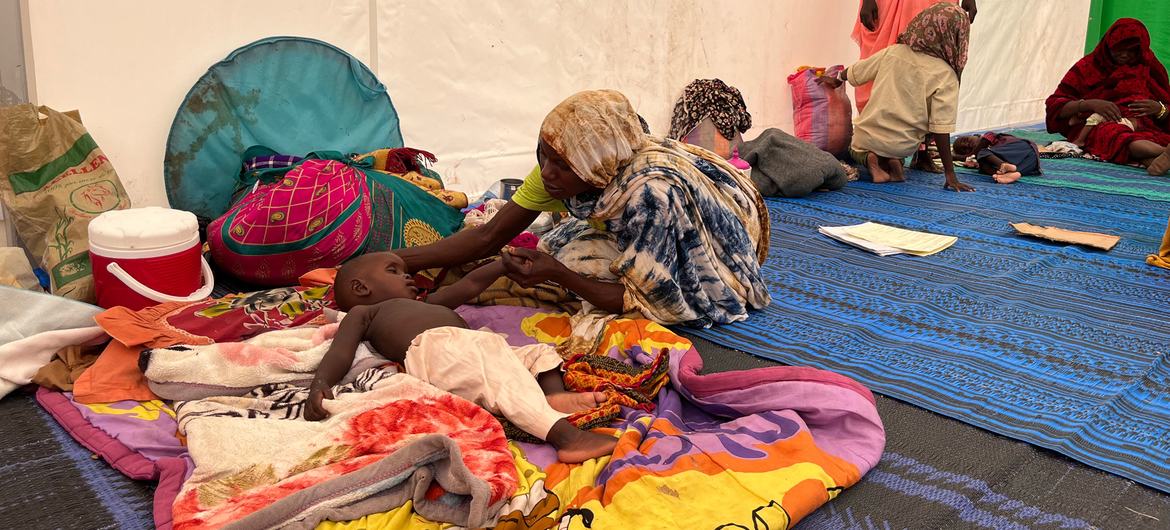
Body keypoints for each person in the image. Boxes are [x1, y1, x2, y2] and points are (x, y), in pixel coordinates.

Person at [394, 90, 771, 333]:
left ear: (594, 166)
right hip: (649, 224)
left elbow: (638, 297)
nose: (546, 172)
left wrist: (559, 275)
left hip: (716, 251)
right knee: (557, 244)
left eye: (560, 163)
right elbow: (489, 236)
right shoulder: (570, 166)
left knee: (572, 262)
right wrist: (395, 260)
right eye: (543, 154)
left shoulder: (649, 194)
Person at [304, 251, 617, 463]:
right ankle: (565, 437)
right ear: (360, 288)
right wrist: (321, 383)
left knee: (539, 353)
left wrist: (502, 265)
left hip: (473, 346)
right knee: (498, 378)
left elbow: (469, 285)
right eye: (394, 271)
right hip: (435, 349)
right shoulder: (366, 311)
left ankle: (552, 397)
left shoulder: (430, 302)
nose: (408, 276)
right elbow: (340, 350)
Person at [824, 3, 974, 191]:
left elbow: (857, 72)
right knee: (896, 144)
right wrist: (950, 175)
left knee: (856, 147)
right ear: (957, 37)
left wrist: (837, 78)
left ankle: (871, 160)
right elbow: (941, 128)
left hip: (867, 137)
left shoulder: (894, 52)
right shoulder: (946, 76)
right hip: (905, 147)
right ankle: (895, 161)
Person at [1045, 18, 1170, 176]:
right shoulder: (1088, 66)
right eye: (1118, 49)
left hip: (1145, 125)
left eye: (1131, 51)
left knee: (1146, 139)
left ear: (1141, 50)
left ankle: (1158, 158)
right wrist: (1090, 104)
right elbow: (1055, 105)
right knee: (1115, 137)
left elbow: (1166, 103)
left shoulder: (1150, 66)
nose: (1124, 55)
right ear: (1108, 45)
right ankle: (1165, 153)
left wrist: (1159, 109)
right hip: (1100, 123)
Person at [853, 0, 977, 114]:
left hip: (929, 4)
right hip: (887, 5)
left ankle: (927, 131)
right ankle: (875, 126)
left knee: (931, 68)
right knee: (877, 65)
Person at [952, 133, 1041, 184]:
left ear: (977, 135)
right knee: (983, 166)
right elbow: (976, 156)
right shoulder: (990, 154)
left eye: (966, 140)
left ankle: (1003, 166)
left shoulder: (988, 137)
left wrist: (964, 156)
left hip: (1022, 147)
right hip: (1032, 161)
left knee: (982, 152)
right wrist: (977, 164)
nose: (968, 145)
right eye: (965, 149)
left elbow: (976, 152)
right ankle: (1007, 174)